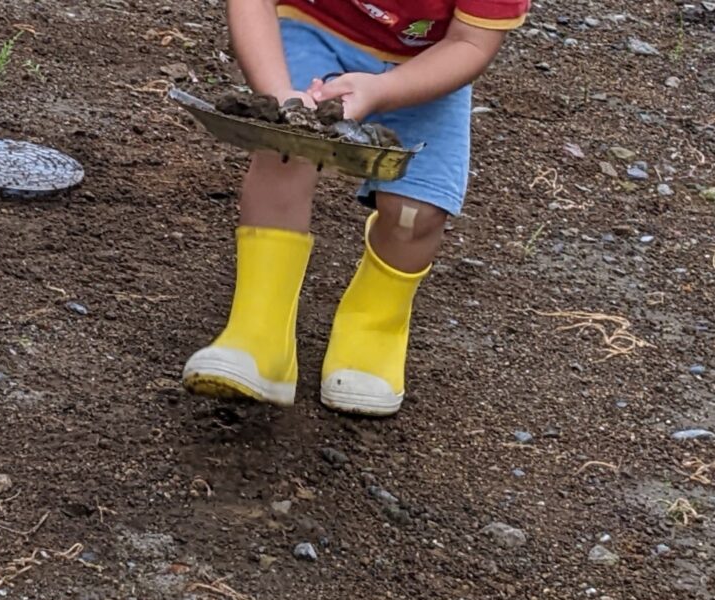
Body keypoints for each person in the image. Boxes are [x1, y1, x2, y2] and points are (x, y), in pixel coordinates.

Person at [183, 0, 529, 416]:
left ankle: (371, 331)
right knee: (285, 153)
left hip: (430, 62)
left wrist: (383, 90)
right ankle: (257, 336)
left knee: (416, 214)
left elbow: (471, 43)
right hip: (316, 26)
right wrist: (278, 96)